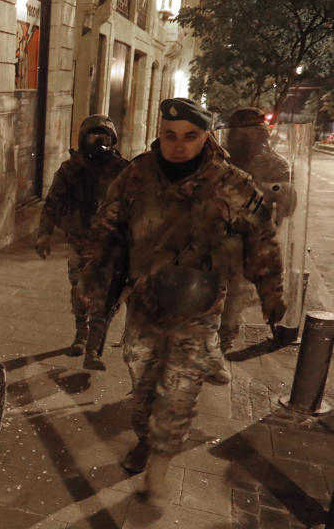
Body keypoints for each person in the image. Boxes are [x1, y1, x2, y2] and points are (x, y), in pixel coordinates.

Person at [80, 97, 285, 502]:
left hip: (199, 308)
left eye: (190, 136)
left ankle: (160, 457)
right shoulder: (136, 174)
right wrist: (93, 277)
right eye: (169, 135)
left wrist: (271, 292)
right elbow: (106, 227)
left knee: (178, 388)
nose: (178, 145)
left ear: (206, 135)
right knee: (142, 381)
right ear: (160, 132)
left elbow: (263, 237)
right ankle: (145, 437)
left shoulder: (232, 182)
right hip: (144, 302)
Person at [35, 115, 128, 360]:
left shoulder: (123, 170)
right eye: (94, 135)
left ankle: (94, 345)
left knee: (105, 294)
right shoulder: (70, 169)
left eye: (105, 136)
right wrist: (44, 234)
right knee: (79, 289)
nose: (99, 141)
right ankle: (81, 333)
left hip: (110, 243)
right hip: (79, 240)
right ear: (83, 138)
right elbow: (52, 202)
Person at [218, 107, 293, 356]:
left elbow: (285, 207)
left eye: (253, 132)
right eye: (243, 132)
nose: (248, 137)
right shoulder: (221, 160)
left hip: (250, 240)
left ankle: (225, 339)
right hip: (218, 237)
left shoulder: (275, 164)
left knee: (236, 294)